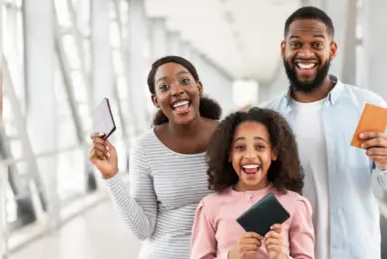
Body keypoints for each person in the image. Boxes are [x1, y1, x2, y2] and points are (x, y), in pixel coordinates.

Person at [258, 6, 387, 259]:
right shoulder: (264, 116)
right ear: (284, 49)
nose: (306, 53)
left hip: (354, 251)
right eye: (296, 44)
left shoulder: (366, 106)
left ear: (332, 50)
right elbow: (251, 189)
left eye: (316, 44)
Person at [89, 55, 222, 258]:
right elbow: (143, 229)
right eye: (164, 87)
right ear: (156, 101)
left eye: (185, 81)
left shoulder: (232, 136)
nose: (176, 90)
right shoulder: (145, 148)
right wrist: (111, 176)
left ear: (199, 88)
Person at [190, 107, 314, 259]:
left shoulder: (295, 204)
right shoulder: (210, 207)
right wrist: (231, 257)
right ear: (229, 154)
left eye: (259, 147)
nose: (249, 155)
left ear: (274, 153)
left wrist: (281, 257)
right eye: (240, 147)